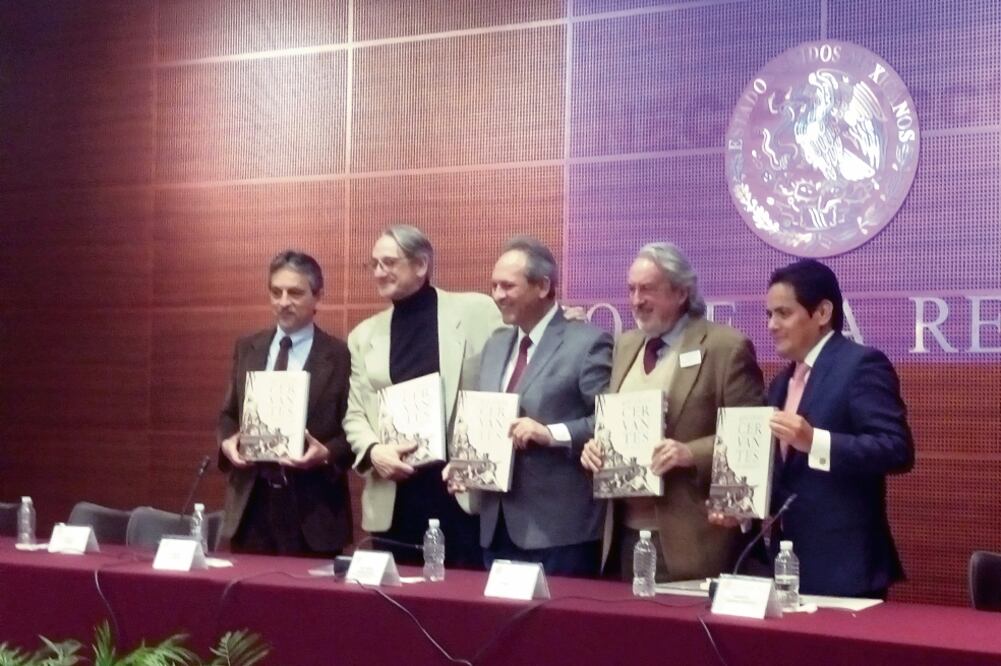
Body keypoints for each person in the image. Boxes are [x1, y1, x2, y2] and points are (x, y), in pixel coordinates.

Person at [581, 242, 765, 581]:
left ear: (681, 292)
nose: (636, 300)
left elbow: (752, 439)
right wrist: (595, 448)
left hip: (692, 540)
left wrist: (689, 453)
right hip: (622, 535)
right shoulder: (626, 345)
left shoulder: (724, 347)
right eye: (632, 289)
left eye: (647, 289)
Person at [344, 224, 502, 567]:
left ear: (421, 264)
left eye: (389, 262)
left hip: (459, 492)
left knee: (463, 595)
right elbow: (355, 414)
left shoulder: (477, 312)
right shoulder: (363, 336)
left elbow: (519, 362)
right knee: (394, 597)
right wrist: (373, 451)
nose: (378, 272)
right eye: (373, 264)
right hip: (395, 495)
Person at [762, 258, 914, 597]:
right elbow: (785, 478)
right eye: (769, 314)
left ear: (822, 312)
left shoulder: (861, 365)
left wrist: (815, 441)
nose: (772, 325)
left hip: (845, 568)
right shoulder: (781, 383)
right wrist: (743, 507)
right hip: (787, 566)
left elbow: (896, 449)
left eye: (783, 313)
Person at [472, 237, 613, 577]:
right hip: (495, 527)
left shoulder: (587, 343)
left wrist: (551, 434)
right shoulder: (495, 345)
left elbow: (609, 422)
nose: (497, 295)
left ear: (543, 286)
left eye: (508, 286)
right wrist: (464, 464)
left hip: (559, 532)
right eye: (494, 286)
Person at [217, 250, 353, 556]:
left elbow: (353, 430)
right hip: (252, 505)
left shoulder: (340, 356)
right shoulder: (248, 348)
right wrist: (227, 443)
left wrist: (326, 454)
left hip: (313, 510)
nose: (283, 302)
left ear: (318, 297)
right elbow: (228, 415)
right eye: (276, 292)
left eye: (295, 293)